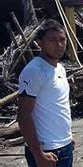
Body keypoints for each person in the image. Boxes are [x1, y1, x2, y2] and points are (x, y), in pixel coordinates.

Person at [17, 19, 75, 167]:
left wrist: (68, 137)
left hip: (64, 145)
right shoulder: (35, 71)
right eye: (52, 40)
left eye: (62, 40)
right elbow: (23, 115)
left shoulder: (59, 68)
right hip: (47, 149)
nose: (59, 45)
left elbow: (59, 105)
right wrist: (38, 154)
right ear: (40, 42)